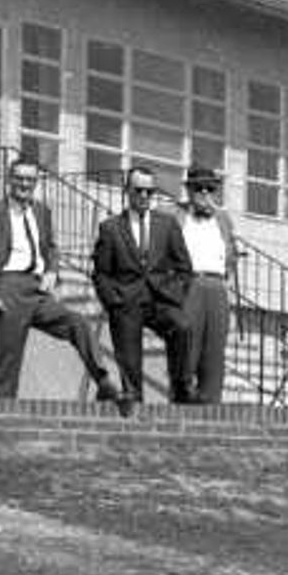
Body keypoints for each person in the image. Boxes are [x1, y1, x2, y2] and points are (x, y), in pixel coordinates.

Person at [0, 154, 123, 403]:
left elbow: (51, 248)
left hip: (36, 289)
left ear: (36, 183)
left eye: (30, 180)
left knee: (77, 323)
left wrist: (52, 271)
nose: (25, 185)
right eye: (19, 179)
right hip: (6, 288)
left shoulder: (42, 212)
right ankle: (1, 422)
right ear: (9, 179)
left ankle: (102, 381)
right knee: (8, 362)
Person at [91, 161, 184, 409]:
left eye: (149, 191)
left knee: (183, 327)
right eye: (138, 190)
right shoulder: (110, 228)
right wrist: (113, 301)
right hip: (126, 301)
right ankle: (135, 403)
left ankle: (181, 392)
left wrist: (174, 294)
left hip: (160, 299)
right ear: (127, 192)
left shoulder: (167, 225)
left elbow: (184, 268)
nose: (144, 196)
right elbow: (100, 273)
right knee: (130, 357)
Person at [166, 161, 240, 405]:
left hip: (217, 287)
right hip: (190, 285)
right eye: (199, 189)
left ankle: (211, 406)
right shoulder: (175, 215)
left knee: (214, 355)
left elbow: (231, 255)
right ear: (189, 191)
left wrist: (227, 277)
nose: (205, 194)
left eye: (210, 189)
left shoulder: (223, 220)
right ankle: (180, 405)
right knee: (187, 351)